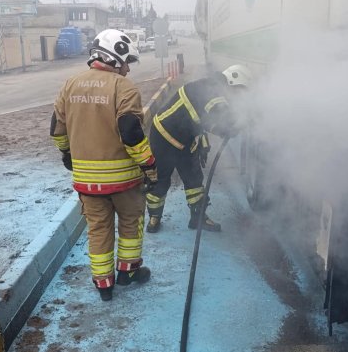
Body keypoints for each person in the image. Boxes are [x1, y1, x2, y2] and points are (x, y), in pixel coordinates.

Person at [50, 29, 157, 302]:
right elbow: (131, 132)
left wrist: (67, 155)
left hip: (87, 182)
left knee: (98, 229)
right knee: (131, 224)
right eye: (127, 62)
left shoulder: (70, 85)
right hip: (124, 181)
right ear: (116, 56)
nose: (128, 69)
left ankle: (104, 285)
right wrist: (149, 165)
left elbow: (57, 130)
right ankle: (128, 273)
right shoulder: (124, 88)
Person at [146, 64, 252, 233]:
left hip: (185, 138)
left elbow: (201, 120)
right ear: (232, 81)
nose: (237, 96)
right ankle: (154, 217)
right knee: (160, 179)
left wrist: (203, 142)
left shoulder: (212, 87)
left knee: (194, 177)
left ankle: (198, 217)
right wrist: (234, 126)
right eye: (238, 91)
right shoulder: (213, 92)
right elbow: (219, 120)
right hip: (163, 136)